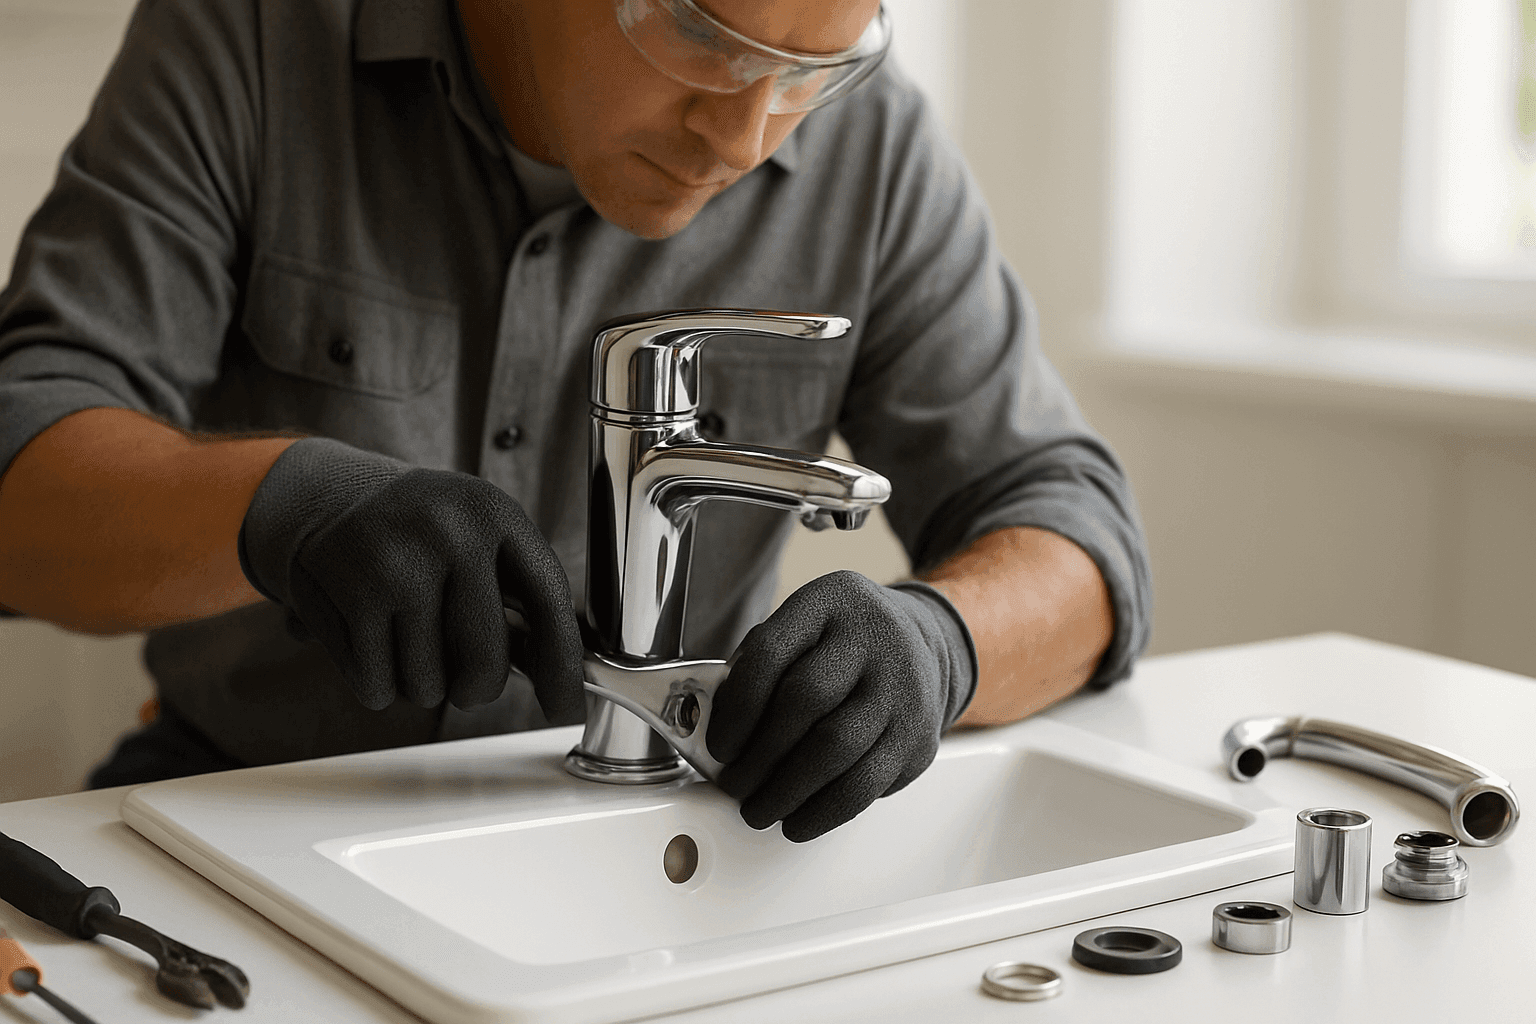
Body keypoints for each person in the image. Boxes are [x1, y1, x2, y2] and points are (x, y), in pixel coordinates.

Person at [0, 0, 1151, 842]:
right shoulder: (250, 34)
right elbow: (20, 464)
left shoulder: (875, 148)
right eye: (704, 36)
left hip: (675, 834)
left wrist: (940, 646)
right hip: (249, 805)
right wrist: (282, 508)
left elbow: (1077, 536)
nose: (748, 136)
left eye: (812, 69)